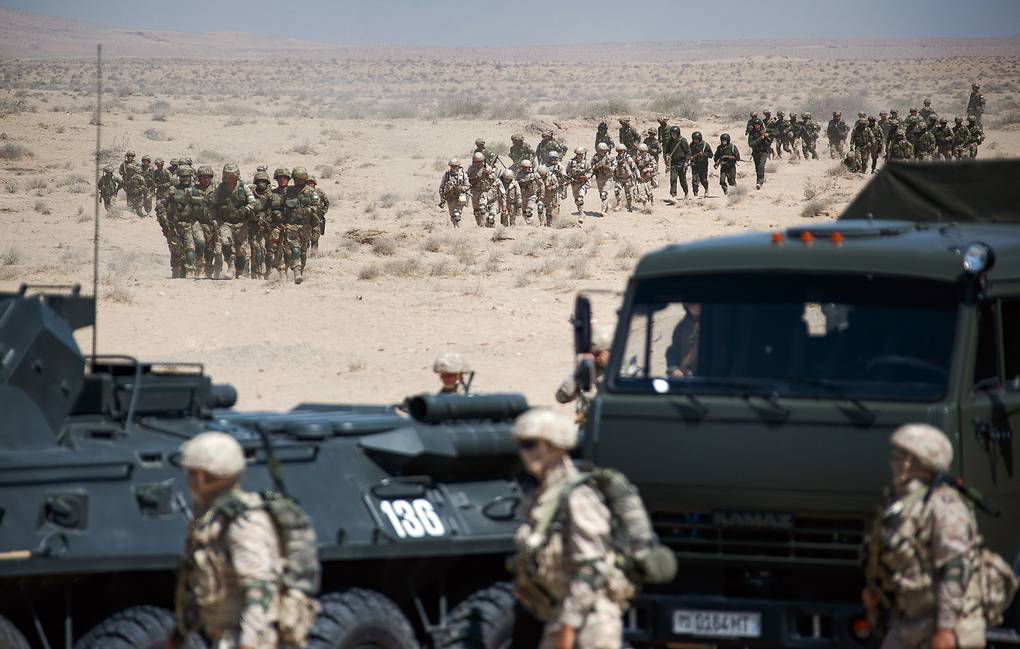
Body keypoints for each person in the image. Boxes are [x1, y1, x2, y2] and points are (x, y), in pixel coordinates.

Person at [510, 409, 632, 649]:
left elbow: (592, 567)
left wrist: (568, 627)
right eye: (522, 445)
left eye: (530, 445)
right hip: (561, 615)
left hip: (589, 623)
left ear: (553, 447)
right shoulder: (543, 496)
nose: (524, 453)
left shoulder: (578, 496)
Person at [861, 424, 986, 649]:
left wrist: (945, 628)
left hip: (947, 622)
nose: (893, 463)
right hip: (911, 619)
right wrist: (876, 589)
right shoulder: (903, 504)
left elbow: (954, 569)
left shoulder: (944, 506)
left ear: (914, 462)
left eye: (898, 457)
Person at [171, 432, 283, 649]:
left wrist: (248, 643)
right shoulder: (211, 519)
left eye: (192, 473)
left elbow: (259, 589)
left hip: (246, 639)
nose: (189, 480)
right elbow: (203, 583)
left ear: (204, 477)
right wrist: (179, 633)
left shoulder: (243, 523)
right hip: (224, 636)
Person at [211, 163, 258, 280]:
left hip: (241, 223)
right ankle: (231, 267)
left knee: (241, 250)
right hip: (225, 223)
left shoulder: (244, 187)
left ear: (237, 175)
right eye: (228, 176)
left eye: (232, 176)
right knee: (226, 243)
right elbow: (213, 205)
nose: (230, 178)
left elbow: (253, 202)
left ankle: (240, 272)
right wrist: (215, 219)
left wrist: (246, 209)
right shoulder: (220, 188)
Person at [556, 326, 612, 417]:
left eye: (599, 354)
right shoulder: (589, 368)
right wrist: (579, 372)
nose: (596, 358)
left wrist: (608, 368)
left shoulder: (621, 371)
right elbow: (561, 397)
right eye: (593, 354)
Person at [665, 303, 700, 377]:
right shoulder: (682, 326)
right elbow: (673, 352)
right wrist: (674, 369)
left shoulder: (716, 325)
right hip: (686, 378)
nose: (694, 305)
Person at [438, 159, 470, 228]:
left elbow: (467, 186)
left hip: (460, 197)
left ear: (458, 166)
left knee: (457, 214)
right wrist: (442, 198)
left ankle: (459, 229)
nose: (453, 168)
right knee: (452, 215)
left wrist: (461, 188)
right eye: (452, 166)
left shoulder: (463, 175)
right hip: (450, 197)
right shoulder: (446, 175)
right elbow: (441, 187)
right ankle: (456, 227)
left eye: (455, 166)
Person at [611, 144, 641, 212]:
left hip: (627, 179)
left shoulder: (628, 158)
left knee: (628, 194)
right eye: (618, 151)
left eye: (621, 151)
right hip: (619, 179)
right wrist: (611, 169)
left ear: (624, 151)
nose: (620, 152)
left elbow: (635, 168)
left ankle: (630, 206)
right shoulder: (616, 159)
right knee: (616, 190)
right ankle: (619, 204)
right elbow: (614, 166)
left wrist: (638, 176)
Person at [565, 147, 592, 222]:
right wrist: (569, 178)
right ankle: (581, 212)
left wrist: (585, 177)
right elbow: (567, 171)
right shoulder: (571, 161)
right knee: (577, 201)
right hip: (574, 183)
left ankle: (581, 215)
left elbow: (590, 172)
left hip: (582, 183)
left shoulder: (586, 162)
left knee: (580, 199)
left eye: (580, 154)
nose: (579, 156)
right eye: (578, 154)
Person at [664, 125, 690, 200]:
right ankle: (673, 195)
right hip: (674, 163)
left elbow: (688, 152)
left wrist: (686, 162)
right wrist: (667, 155)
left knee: (683, 180)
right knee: (673, 179)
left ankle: (686, 193)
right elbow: (666, 151)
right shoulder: (669, 141)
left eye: (675, 134)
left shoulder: (683, 141)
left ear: (678, 133)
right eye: (672, 134)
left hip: (682, 163)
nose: (673, 135)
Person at [590, 142, 615, 215]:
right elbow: (591, 166)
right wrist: (597, 166)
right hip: (599, 178)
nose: (603, 152)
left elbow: (615, 166)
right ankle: (607, 206)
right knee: (602, 195)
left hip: (607, 178)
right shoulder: (595, 158)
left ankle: (603, 211)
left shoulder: (609, 157)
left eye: (604, 150)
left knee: (604, 194)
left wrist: (609, 168)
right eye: (601, 150)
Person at [748, 122, 771, 189]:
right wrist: (760, 138)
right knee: (757, 168)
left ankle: (760, 181)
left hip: (763, 152)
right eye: (755, 125)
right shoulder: (752, 134)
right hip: (756, 153)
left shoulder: (763, 132)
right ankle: (759, 181)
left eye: (758, 125)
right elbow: (751, 144)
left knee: (761, 166)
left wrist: (767, 136)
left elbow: (770, 141)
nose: (757, 127)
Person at [688, 132, 711, 197]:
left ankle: (706, 189)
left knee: (703, 180)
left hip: (703, 165)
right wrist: (690, 157)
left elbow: (711, 155)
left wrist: (703, 154)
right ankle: (695, 193)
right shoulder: (692, 145)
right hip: (695, 164)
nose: (695, 141)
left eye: (697, 139)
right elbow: (689, 153)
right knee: (694, 180)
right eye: (694, 139)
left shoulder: (705, 145)